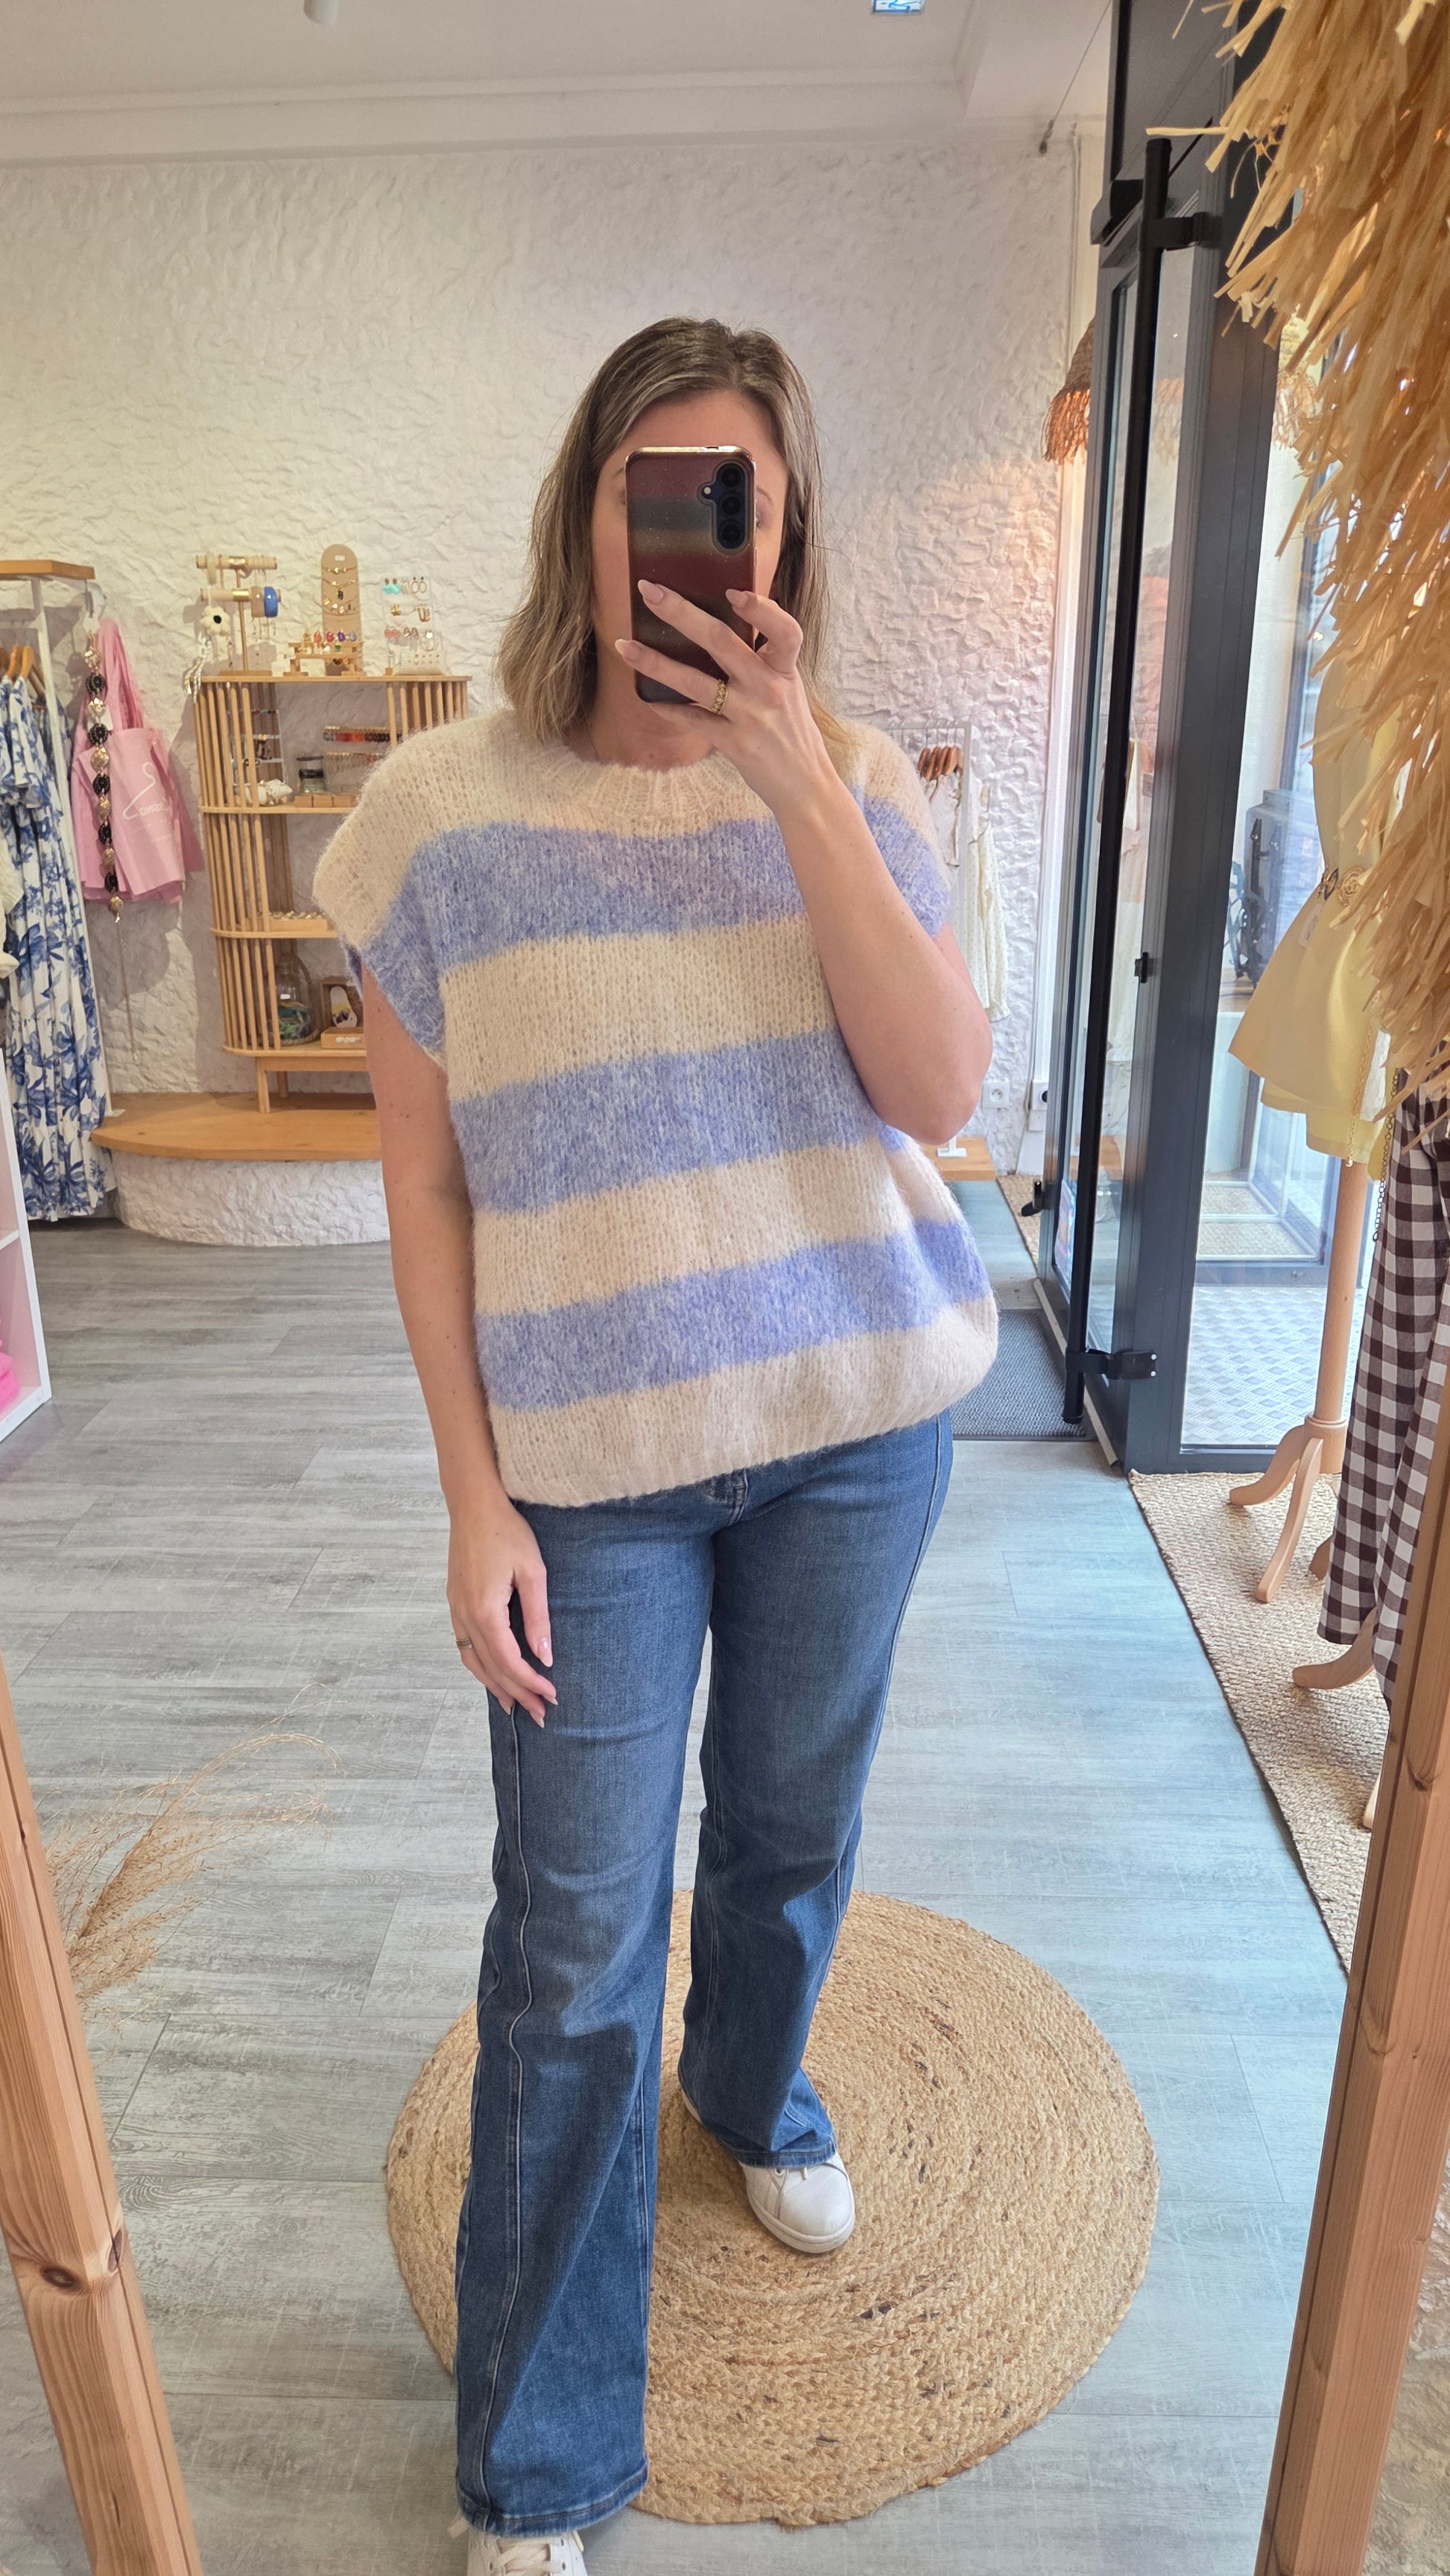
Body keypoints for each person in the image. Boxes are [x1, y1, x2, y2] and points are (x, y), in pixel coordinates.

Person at [315, 315, 995, 2575]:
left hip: (850, 1427)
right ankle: (535, 2467)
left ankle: (753, 2088)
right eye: (652, 493)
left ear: (785, 535)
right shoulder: (436, 822)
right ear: (586, 515)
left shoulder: (852, 783)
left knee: (791, 1835)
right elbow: (424, 1184)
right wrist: (469, 1496)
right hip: (586, 1473)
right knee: (575, 1938)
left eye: (736, 500)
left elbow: (937, 1097)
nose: (689, 541)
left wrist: (801, 788)